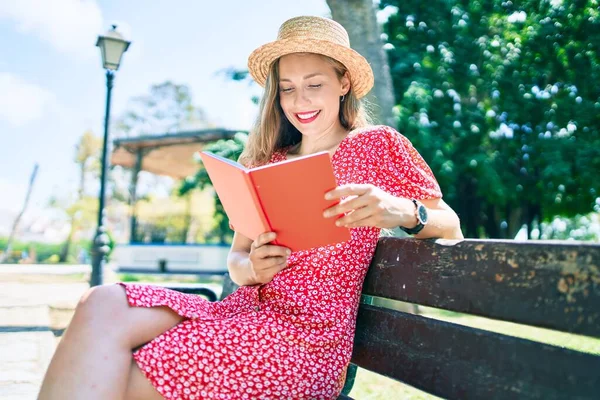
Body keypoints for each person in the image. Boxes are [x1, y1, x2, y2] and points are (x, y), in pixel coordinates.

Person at [38, 15, 463, 400]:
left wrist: (403, 211)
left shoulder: (377, 145)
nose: (300, 102)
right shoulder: (266, 163)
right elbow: (237, 261)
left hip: (304, 344)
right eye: (288, 89)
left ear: (343, 83)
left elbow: (451, 225)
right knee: (100, 302)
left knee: (125, 374)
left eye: (315, 84)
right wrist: (253, 268)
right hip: (240, 314)